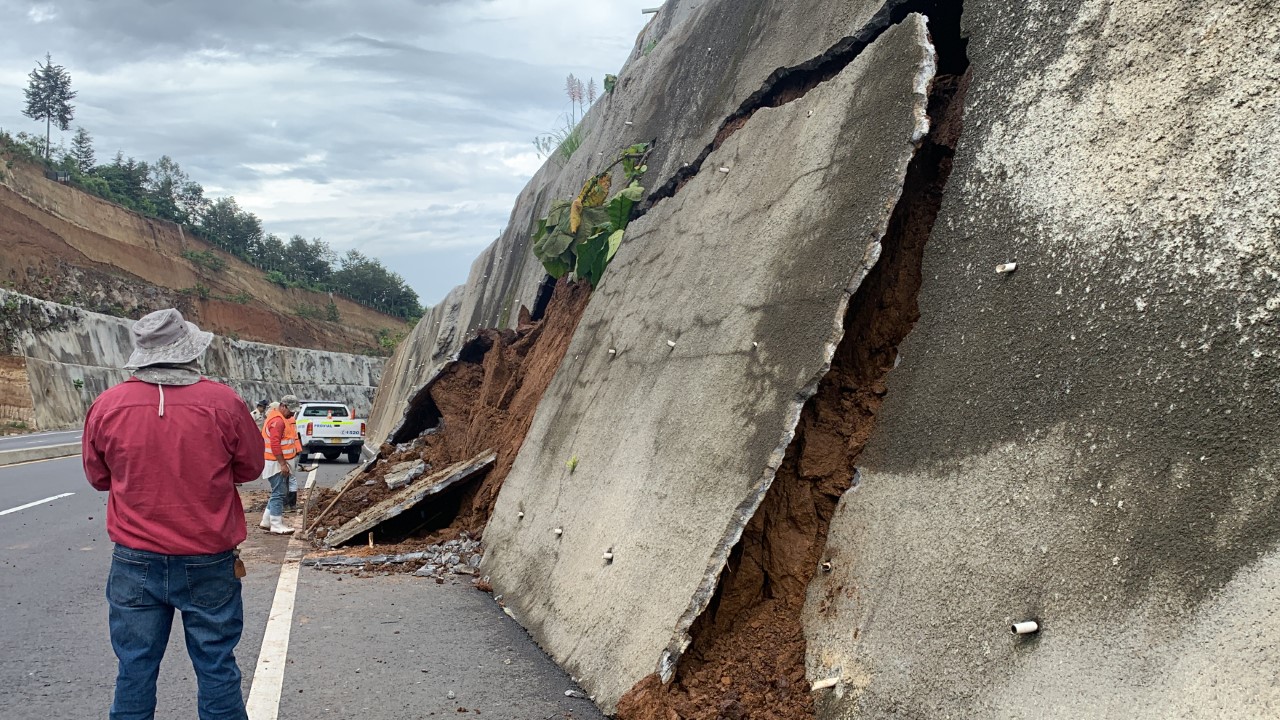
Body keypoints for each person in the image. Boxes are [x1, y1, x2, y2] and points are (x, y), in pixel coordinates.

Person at [82, 308, 262, 720]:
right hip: (209, 558)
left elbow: (98, 477)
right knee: (216, 666)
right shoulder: (223, 402)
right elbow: (250, 468)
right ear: (189, 352)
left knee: (134, 668)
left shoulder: (108, 405)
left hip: (135, 560)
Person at [260, 395, 303, 531]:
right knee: (279, 493)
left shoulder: (280, 418)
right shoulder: (278, 421)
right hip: (276, 463)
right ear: (283, 406)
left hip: (276, 462)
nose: (292, 413)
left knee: (276, 492)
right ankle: (276, 524)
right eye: (291, 410)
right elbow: (275, 444)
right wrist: (283, 464)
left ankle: (267, 521)